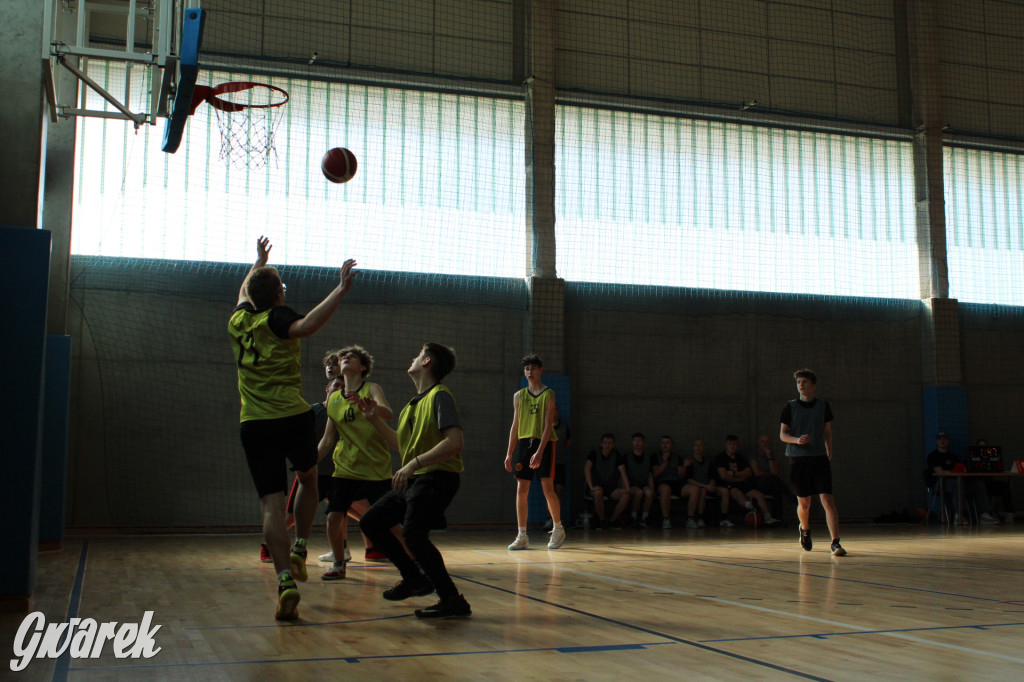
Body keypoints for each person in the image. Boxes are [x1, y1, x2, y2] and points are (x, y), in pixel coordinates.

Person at [229, 236, 356, 620]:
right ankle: (301, 544)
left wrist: (259, 261)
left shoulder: (238, 319)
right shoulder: (277, 318)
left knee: (270, 504)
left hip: (254, 423)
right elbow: (309, 325)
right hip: (291, 417)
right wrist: (340, 289)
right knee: (309, 478)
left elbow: (243, 291)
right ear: (279, 296)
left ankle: (284, 578)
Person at [357, 343, 471, 619]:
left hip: (436, 477)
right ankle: (414, 579)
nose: (413, 358)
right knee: (371, 521)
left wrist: (414, 464)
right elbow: (402, 445)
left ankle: (452, 599)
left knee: (414, 535)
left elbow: (455, 442)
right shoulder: (412, 405)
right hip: (416, 478)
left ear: (427, 361)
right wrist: (374, 421)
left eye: (417, 355)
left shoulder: (440, 396)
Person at [317, 345, 397, 580]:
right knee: (334, 514)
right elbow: (328, 439)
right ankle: (339, 563)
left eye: (350, 357)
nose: (344, 359)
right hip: (345, 467)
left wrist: (367, 404)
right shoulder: (334, 400)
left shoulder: (372, 388)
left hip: (375, 467)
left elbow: (388, 413)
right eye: (342, 357)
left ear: (362, 367)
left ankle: (413, 557)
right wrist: (309, 461)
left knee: (391, 522)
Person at [779, 369, 845, 556]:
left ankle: (835, 542)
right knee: (805, 503)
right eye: (799, 382)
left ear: (813, 385)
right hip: (798, 458)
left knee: (827, 500)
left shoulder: (823, 406)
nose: (801, 384)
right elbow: (783, 434)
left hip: (819, 457)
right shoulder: (790, 407)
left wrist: (829, 450)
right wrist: (796, 440)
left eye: (805, 381)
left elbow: (828, 431)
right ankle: (805, 529)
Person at [505, 355, 566, 550]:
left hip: (545, 443)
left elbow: (549, 425)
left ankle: (558, 529)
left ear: (540, 371)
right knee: (521, 489)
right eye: (527, 369)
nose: (530, 372)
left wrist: (540, 451)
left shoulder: (549, 394)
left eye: (533, 368)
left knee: (548, 487)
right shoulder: (519, 396)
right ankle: (521, 535)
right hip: (524, 442)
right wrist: (509, 453)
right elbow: (515, 425)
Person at [926, 433, 998, 525]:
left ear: (948, 441)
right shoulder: (933, 456)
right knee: (958, 484)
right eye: (940, 439)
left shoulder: (954, 457)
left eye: (945, 438)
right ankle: (959, 514)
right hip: (940, 483)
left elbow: (963, 469)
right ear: (937, 442)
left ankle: (984, 514)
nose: (942, 441)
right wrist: (952, 472)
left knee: (977, 484)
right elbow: (940, 472)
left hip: (959, 481)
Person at [714, 435, 777, 527]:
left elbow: (748, 473)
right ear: (726, 445)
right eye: (730, 444)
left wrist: (733, 473)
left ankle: (767, 517)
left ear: (737, 446)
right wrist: (739, 477)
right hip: (728, 486)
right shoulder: (721, 458)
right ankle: (749, 506)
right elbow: (724, 476)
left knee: (759, 495)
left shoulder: (741, 458)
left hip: (743, 484)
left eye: (734, 444)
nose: (732, 446)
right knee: (736, 492)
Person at [584, 434, 631, 528]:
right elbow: (586, 468)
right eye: (605, 443)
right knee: (598, 493)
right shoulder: (595, 453)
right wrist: (591, 486)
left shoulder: (616, 455)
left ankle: (612, 520)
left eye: (610, 443)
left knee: (625, 496)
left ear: (613, 445)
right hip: (596, 486)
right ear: (601, 444)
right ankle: (602, 520)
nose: (607, 445)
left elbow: (622, 471)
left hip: (610, 488)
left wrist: (627, 488)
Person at [750, 434, 794, 523]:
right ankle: (790, 496)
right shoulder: (753, 454)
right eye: (762, 441)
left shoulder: (771, 455)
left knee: (776, 488)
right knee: (775, 481)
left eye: (766, 442)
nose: (764, 444)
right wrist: (769, 474)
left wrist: (769, 457)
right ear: (758, 443)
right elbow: (757, 472)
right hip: (758, 483)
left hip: (770, 483)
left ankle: (778, 518)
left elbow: (776, 473)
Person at [542, 406, 572, 532]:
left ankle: (557, 521)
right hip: (547, 463)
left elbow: (569, 440)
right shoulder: (544, 425)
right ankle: (549, 519)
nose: (553, 412)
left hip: (560, 463)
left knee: (558, 491)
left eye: (555, 410)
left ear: (558, 412)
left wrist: (561, 452)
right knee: (549, 491)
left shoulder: (564, 426)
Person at [684, 438, 724, 527]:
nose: (698, 447)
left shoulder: (708, 461)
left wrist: (711, 484)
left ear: (704, 448)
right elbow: (688, 479)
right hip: (695, 486)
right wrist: (705, 486)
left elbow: (712, 476)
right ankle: (692, 518)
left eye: (700, 445)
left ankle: (723, 518)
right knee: (700, 491)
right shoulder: (689, 461)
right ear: (693, 448)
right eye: (696, 445)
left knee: (723, 491)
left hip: (706, 486)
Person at [651, 436, 689, 529]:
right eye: (663, 442)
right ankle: (666, 519)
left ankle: (690, 519)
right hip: (662, 482)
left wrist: (684, 466)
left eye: (667, 442)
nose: (665, 445)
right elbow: (656, 474)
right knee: (666, 489)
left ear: (671, 445)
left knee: (694, 490)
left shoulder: (677, 457)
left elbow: (681, 475)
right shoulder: (655, 456)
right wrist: (665, 461)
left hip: (676, 482)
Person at [976, 438, 1014, 523]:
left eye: (985, 447)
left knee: (1003, 486)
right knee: (982, 486)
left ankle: (1008, 512)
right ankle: (986, 514)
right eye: (981, 447)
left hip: (990, 483)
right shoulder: (972, 459)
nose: (983, 449)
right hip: (978, 485)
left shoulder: (992, 458)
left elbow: (998, 468)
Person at [624, 432, 655, 528]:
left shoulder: (648, 457)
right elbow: (622, 474)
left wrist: (652, 488)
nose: (637, 443)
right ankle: (633, 517)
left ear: (644, 443)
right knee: (639, 493)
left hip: (643, 483)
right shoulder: (626, 457)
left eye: (639, 440)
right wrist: (624, 487)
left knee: (649, 493)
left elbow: (650, 474)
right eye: (635, 440)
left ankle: (644, 518)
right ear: (632, 442)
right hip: (632, 484)